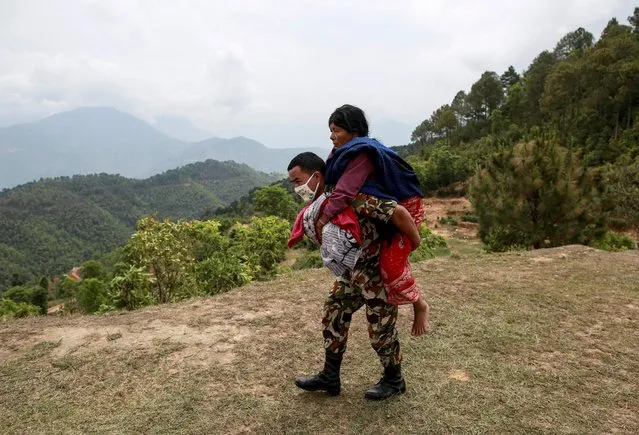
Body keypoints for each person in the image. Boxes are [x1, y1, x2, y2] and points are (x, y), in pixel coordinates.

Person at [287, 152, 408, 400]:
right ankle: (330, 377)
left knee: (380, 332)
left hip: (376, 276)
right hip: (352, 276)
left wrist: (411, 247)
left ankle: (394, 379)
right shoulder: (326, 203)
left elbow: (396, 212)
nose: (297, 188)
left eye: (298, 181)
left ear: (315, 176)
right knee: (333, 312)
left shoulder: (350, 197)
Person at [317, 104, 430, 336]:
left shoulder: (362, 154)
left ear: (354, 130)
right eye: (330, 130)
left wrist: (323, 217)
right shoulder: (341, 153)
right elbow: (332, 182)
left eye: (336, 130)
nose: (331, 136)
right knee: (335, 307)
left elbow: (345, 191)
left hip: (407, 209)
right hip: (372, 243)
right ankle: (330, 373)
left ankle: (420, 304)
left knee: (391, 264)